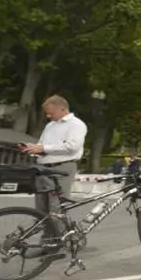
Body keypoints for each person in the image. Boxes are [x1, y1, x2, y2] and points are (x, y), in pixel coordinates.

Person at [19, 95, 88, 242]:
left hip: (62, 167)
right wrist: (33, 149)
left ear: (62, 109)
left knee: (56, 208)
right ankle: (48, 240)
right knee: (41, 209)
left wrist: (43, 148)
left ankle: (58, 242)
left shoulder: (76, 124)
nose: (48, 115)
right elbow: (43, 145)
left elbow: (72, 146)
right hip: (43, 167)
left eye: (51, 112)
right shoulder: (50, 125)